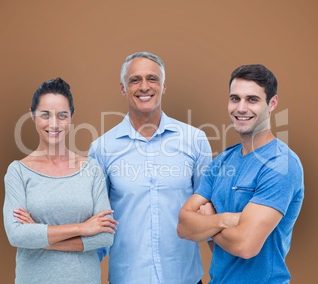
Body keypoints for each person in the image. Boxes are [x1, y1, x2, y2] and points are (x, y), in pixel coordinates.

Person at [88, 52, 212, 284]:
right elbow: (99, 222)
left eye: (152, 79)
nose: (144, 87)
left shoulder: (195, 140)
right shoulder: (102, 148)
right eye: (135, 80)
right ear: (123, 88)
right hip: (127, 278)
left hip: (184, 278)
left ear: (164, 86)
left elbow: (209, 212)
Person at [177, 64, 304, 283]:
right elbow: (184, 226)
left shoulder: (281, 164)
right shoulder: (223, 161)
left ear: (272, 103)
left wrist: (208, 224)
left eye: (252, 99)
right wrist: (226, 219)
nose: (241, 108)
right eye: (235, 99)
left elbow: (245, 245)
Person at [3, 78, 118, 284]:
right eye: (45, 115)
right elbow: (17, 235)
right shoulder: (18, 172)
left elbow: (104, 236)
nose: (54, 124)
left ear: (71, 118)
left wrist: (40, 238)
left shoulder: (91, 169)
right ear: (32, 115)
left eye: (62, 116)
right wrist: (82, 228)